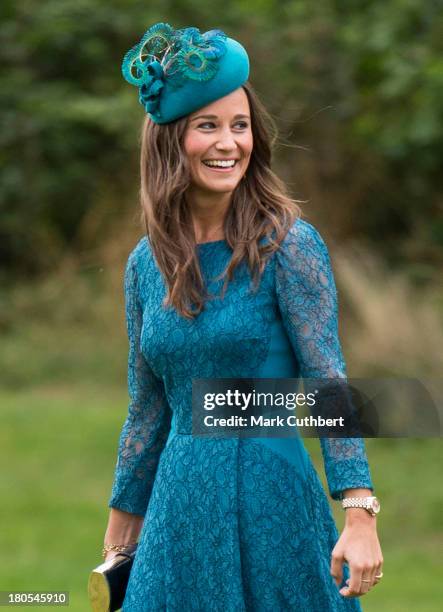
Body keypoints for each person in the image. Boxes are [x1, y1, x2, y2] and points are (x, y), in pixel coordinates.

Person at [102, 22, 383, 611]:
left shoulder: (288, 245)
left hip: (270, 501)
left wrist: (358, 514)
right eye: (208, 126)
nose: (229, 143)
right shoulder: (144, 264)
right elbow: (148, 406)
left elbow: (328, 379)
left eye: (240, 125)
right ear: (170, 140)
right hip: (178, 513)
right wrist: (121, 531)